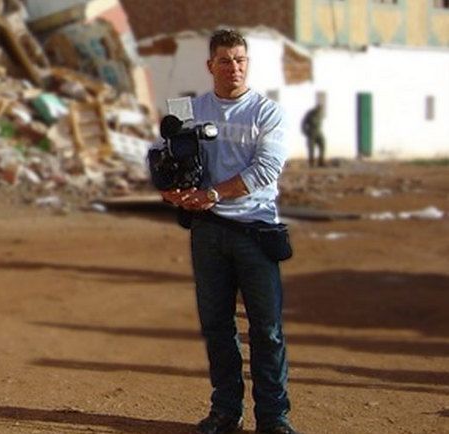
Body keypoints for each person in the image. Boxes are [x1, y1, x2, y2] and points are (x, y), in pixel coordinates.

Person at [156, 30, 300, 434]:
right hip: (207, 233)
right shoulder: (189, 110)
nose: (233, 68)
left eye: (240, 60)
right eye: (224, 60)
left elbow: (266, 170)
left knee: (266, 329)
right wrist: (170, 189)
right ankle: (225, 411)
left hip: (255, 231)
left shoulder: (267, 113)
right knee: (217, 326)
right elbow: (165, 155)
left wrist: (214, 193)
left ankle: (273, 418)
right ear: (210, 66)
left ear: (247, 64)